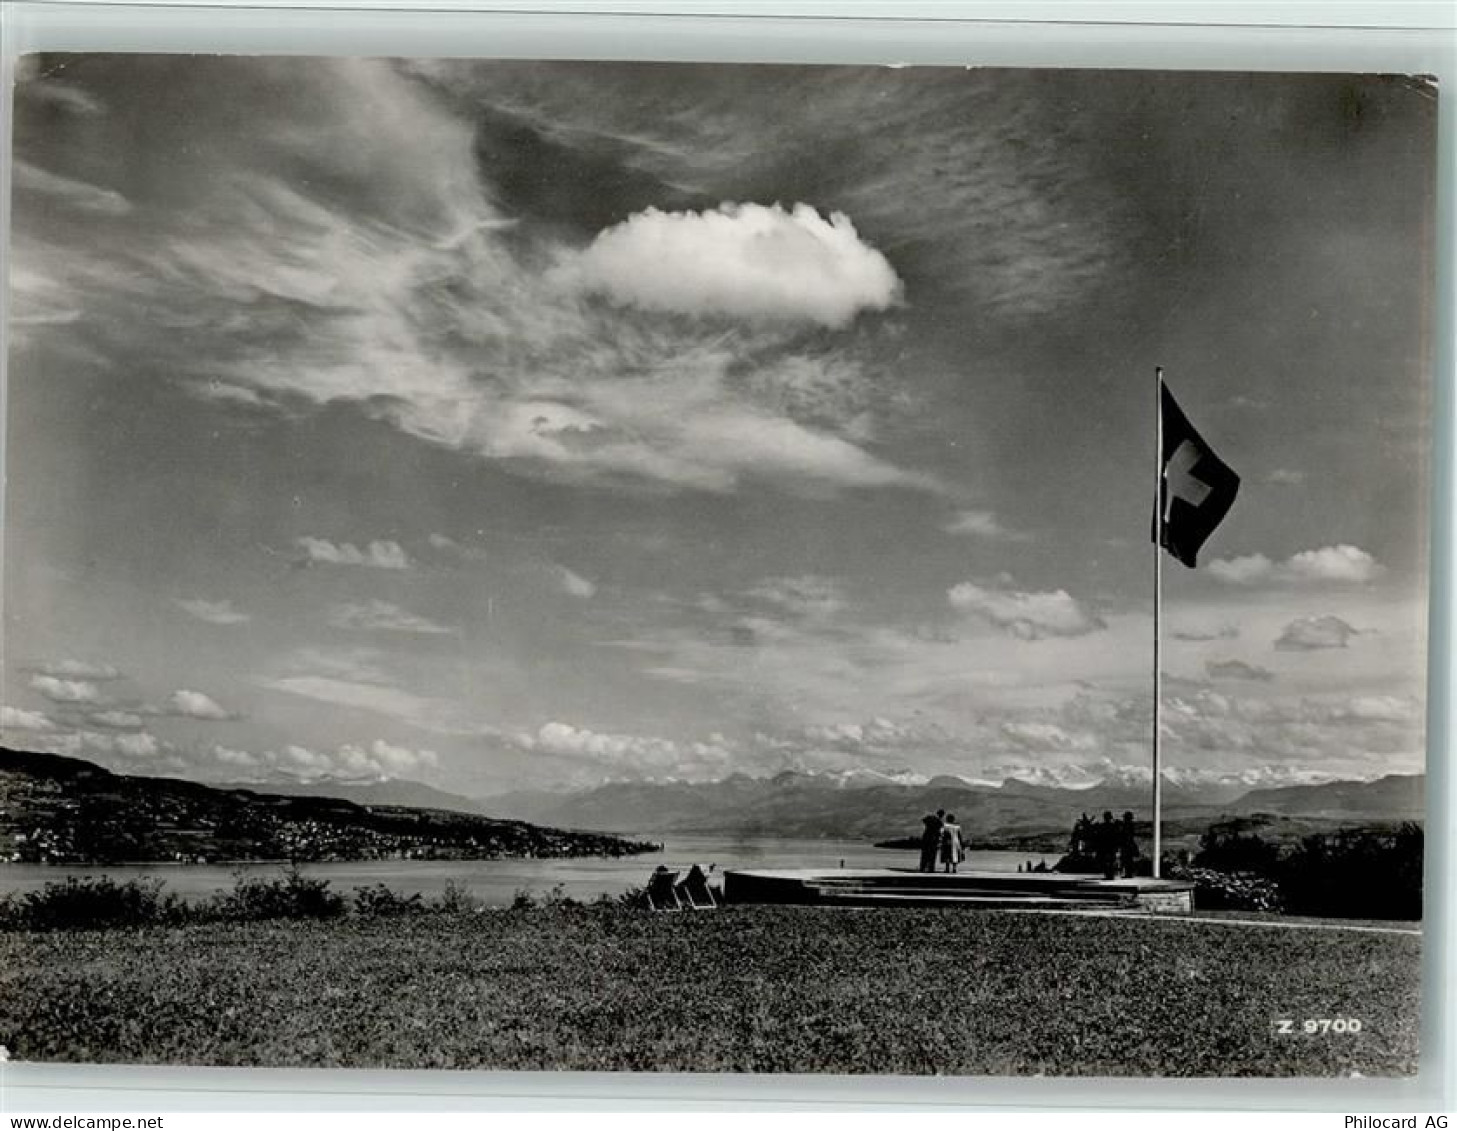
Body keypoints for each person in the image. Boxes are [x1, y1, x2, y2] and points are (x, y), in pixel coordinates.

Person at [1096, 810, 1118, 879]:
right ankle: (1110, 875)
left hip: (1105, 846)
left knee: (1105, 861)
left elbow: (1099, 836)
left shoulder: (1102, 826)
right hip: (1110, 846)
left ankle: (1109, 874)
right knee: (1110, 861)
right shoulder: (1113, 826)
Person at [1118, 811, 1141, 878]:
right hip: (1128, 845)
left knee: (1127, 860)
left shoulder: (1127, 825)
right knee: (1127, 860)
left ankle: (1129, 874)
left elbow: (1126, 835)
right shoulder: (1129, 825)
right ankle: (1128, 873)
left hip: (1127, 845)